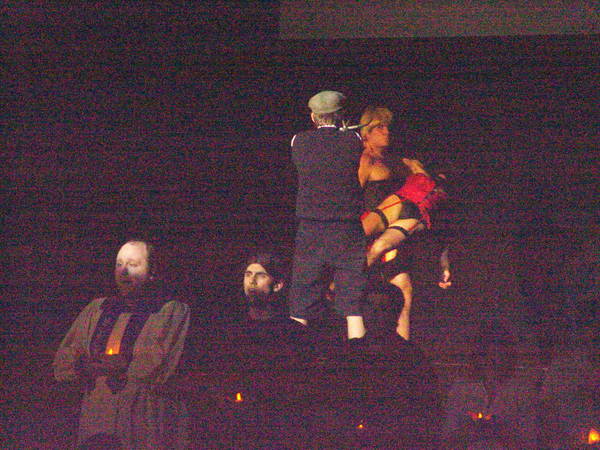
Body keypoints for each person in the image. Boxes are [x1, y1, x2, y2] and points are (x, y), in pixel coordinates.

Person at [53, 240, 190, 449]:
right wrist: (85, 366)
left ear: (152, 271)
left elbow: (159, 366)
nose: (124, 271)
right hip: (97, 414)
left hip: (141, 416)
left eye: (133, 264)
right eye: (119, 264)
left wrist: (121, 365)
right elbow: (64, 359)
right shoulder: (98, 309)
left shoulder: (169, 311)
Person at [358, 106, 451, 340]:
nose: (386, 131)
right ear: (366, 132)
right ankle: (358, 348)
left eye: (387, 126)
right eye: (379, 127)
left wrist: (443, 257)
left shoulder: (401, 162)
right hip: (370, 232)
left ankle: (401, 349)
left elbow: (428, 204)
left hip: (398, 233)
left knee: (403, 288)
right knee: (362, 296)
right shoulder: (365, 160)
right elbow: (351, 198)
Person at [288, 90, 368, 341]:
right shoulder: (353, 139)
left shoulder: (298, 140)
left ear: (313, 117)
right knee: (352, 304)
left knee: (301, 300)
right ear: (341, 115)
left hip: (311, 228)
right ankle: (359, 358)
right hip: (346, 229)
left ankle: (293, 355)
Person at [442, 320, 540, 448]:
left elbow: (529, 442)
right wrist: (469, 431)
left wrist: (501, 432)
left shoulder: (522, 392)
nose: (493, 360)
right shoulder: (462, 390)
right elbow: (447, 440)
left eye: (499, 353)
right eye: (488, 353)